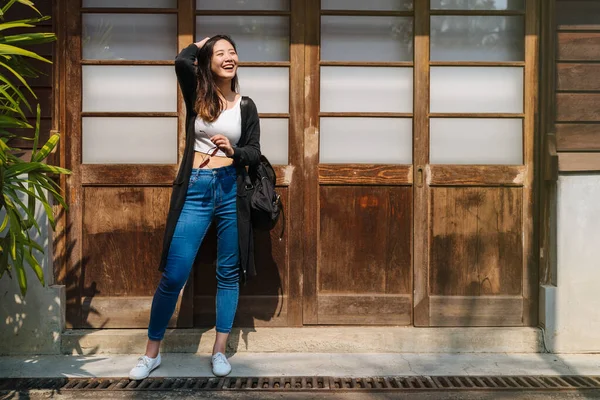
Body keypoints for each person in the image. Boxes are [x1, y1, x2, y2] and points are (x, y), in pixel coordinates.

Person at [128, 35, 261, 380]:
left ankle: (219, 351)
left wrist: (234, 152)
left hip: (232, 189)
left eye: (232, 51)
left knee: (228, 274)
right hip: (197, 189)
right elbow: (180, 60)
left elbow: (253, 151)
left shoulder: (246, 105)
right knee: (174, 274)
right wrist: (206, 41)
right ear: (208, 61)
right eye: (220, 53)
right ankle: (151, 354)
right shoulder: (198, 95)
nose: (229, 57)